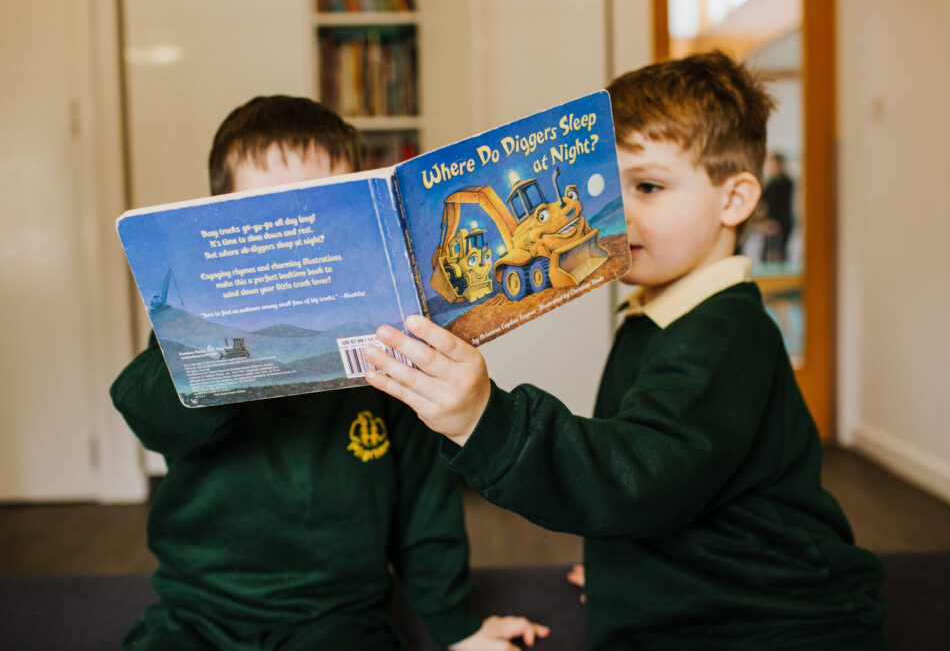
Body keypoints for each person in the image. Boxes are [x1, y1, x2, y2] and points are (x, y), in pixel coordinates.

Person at [362, 53, 888, 649]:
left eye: (649, 186)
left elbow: (637, 476)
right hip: (705, 597)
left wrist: (485, 418)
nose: (620, 208)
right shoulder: (661, 316)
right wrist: (630, 568)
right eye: (613, 184)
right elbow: (671, 475)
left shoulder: (725, 336)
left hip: (766, 623)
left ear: (735, 200)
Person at [111, 95, 548, 650]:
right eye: (267, 215)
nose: (293, 235)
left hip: (338, 612)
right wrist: (234, 341)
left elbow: (425, 510)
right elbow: (149, 417)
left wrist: (457, 630)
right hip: (201, 605)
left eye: (322, 210)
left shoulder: (391, 349)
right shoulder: (198, 330)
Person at [759, 151, 795, 263]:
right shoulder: (770, 184)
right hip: (770, 223)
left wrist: (775, 223)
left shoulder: (786, 183)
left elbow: (782, 206)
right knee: (766, 254)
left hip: (781, 223)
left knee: (779, 254)